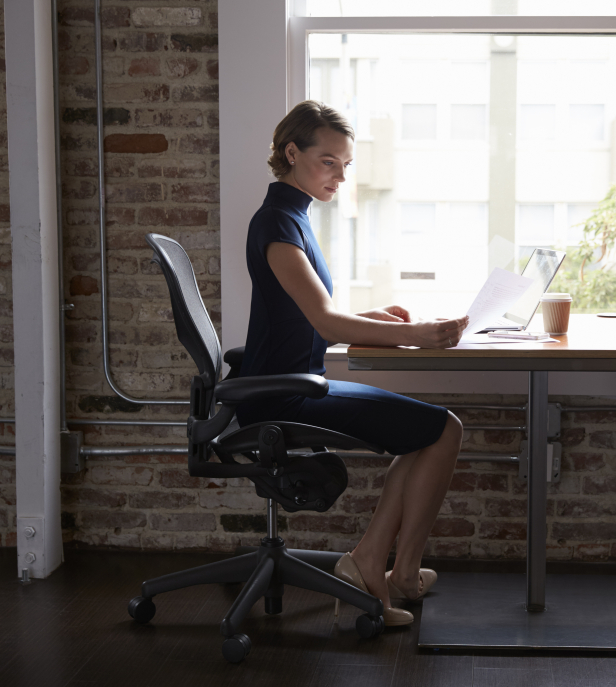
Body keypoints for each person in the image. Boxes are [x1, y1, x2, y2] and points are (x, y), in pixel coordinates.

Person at [237, 100, 469, 628]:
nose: (340, 176)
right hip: (282, 394)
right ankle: (372, 563)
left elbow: (301, 313)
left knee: (431, 432)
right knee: (442, 431)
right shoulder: (278, 223)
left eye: (345, 164)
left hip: (291, 382)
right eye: (328, 162)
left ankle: (400, 572)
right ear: (292, 153)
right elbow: (325, 325)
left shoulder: (292, 215)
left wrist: (369, 317)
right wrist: (416, 336)